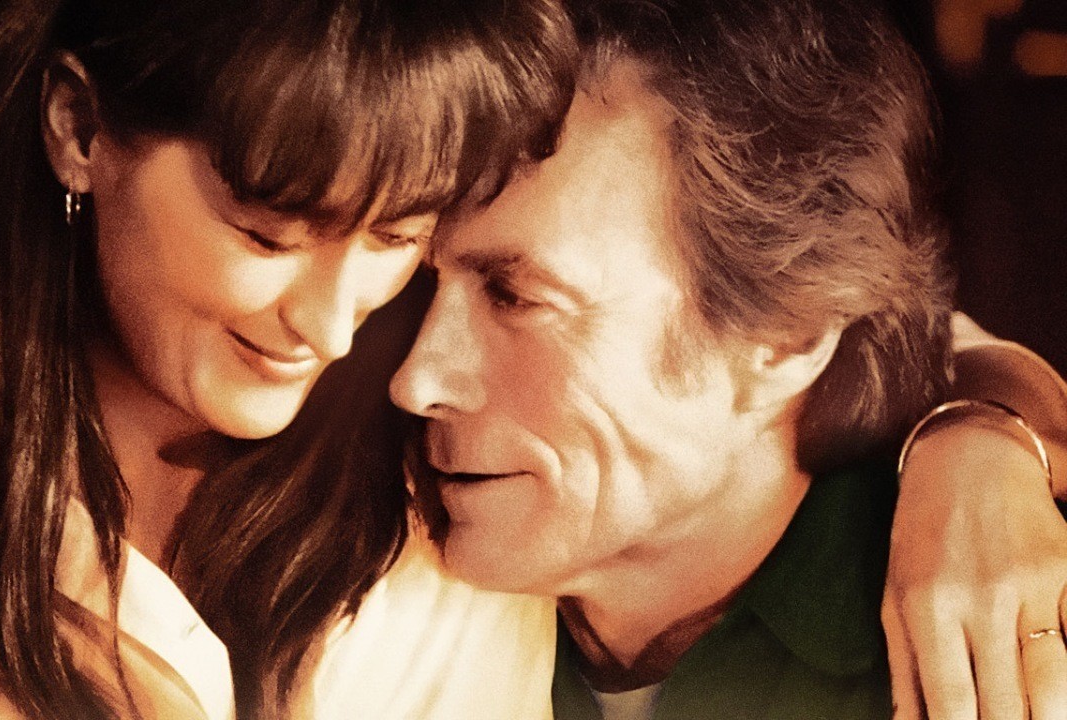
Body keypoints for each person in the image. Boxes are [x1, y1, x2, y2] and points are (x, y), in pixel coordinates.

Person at [0, 0, 578, 717]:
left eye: (397, 236)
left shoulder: (425, 505)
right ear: (79, 129)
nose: (331, 330)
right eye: (269, 235)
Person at [386, 0, 1067, 717]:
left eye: (515, 296)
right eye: (413, 276)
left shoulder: (1015, 649)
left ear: (788, 336)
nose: (416, 379)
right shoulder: (372, 543)